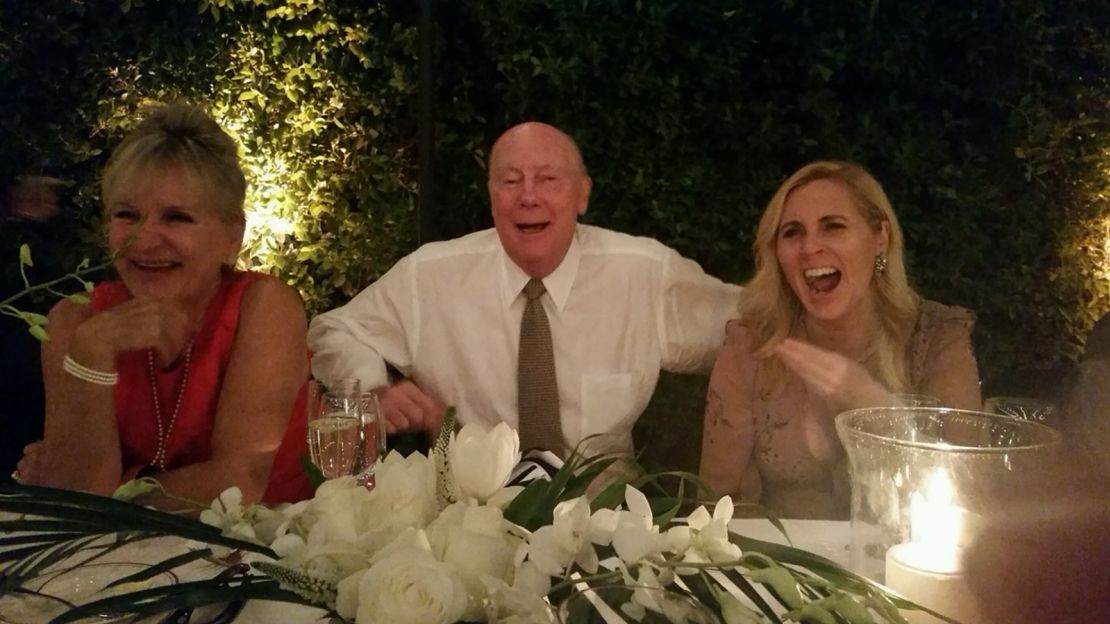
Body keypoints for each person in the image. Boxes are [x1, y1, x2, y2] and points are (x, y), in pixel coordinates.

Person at [307, 121, 741, 457]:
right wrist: (373, 390)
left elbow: (751, 328)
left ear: (582, 195)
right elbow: (333, 330)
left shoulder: (643, 274)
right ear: (492, 194)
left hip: (608, 523)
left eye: (549, 179)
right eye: (511, 180)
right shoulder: (430, 277)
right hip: (467, 520)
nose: (528, 196)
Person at [12, 103, 312, 506]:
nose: (143, 239)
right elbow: (77, 501)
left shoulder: (263, 307)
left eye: (176, 218)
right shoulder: (75, 322)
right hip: (131, 553)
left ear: (231, 237)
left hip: (276, 544)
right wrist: (91, 357)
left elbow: (239, 483)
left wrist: (111, 493)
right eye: (126, 215)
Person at [699, 160, 981, 519]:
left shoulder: (939, 337)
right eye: (792, 232)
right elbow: (714, 505)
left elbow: (966, 500)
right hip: (777, 568)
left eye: (833, 227)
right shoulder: (752, 344)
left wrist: (870, 402)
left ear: (880, 236)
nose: (809, 247)